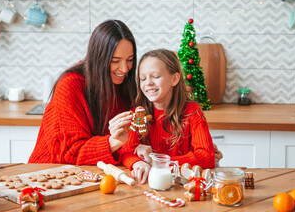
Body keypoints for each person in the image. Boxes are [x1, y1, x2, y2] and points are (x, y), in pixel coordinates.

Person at [28, 20, 143, 169]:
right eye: (115, 61)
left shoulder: (123, 86)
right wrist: (114, 141)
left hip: (93, 173)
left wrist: (137, 149)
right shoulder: (70, 86)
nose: (124, 68)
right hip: (50, 173)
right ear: (99, 58)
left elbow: (128, 139)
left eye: (130, 60)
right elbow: (70, 153)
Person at [123, 49, 219, 184]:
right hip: (149, 184)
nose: (148, 83)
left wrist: (156, 162)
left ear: (174, 79)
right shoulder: (138, 114)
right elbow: (127, 151)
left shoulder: (192, 112)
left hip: (184, 185)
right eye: (143, 78)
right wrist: (138, 163)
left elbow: (206, 156)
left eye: (155, 76)